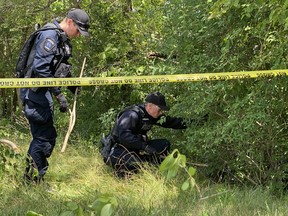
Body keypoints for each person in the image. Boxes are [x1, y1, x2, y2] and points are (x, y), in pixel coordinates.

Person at [22, 9, 90, 184]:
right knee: (44, 137)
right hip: (34, 92)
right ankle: (32, 180)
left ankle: (33, 178)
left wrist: (71, 86)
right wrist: (59, 94)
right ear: (69, 22)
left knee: (46, 136)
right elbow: (41, 69)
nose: (78, 35)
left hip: (43, 92)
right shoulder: (50, 37)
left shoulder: (62, 40)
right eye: (78, 30)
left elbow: (61, 68)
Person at [103, 92, 190, 177]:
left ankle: (149, 166)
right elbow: (125, 138)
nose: (161, 112)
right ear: (149, 106)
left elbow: (173, 122)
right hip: (118, 149)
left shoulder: (153, 115)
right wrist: (145, 147)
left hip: (136, 148)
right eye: (160, 109)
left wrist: (196, 122)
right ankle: (123, 173)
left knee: (164, 145)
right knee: (134, 164)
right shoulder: (131, 115)